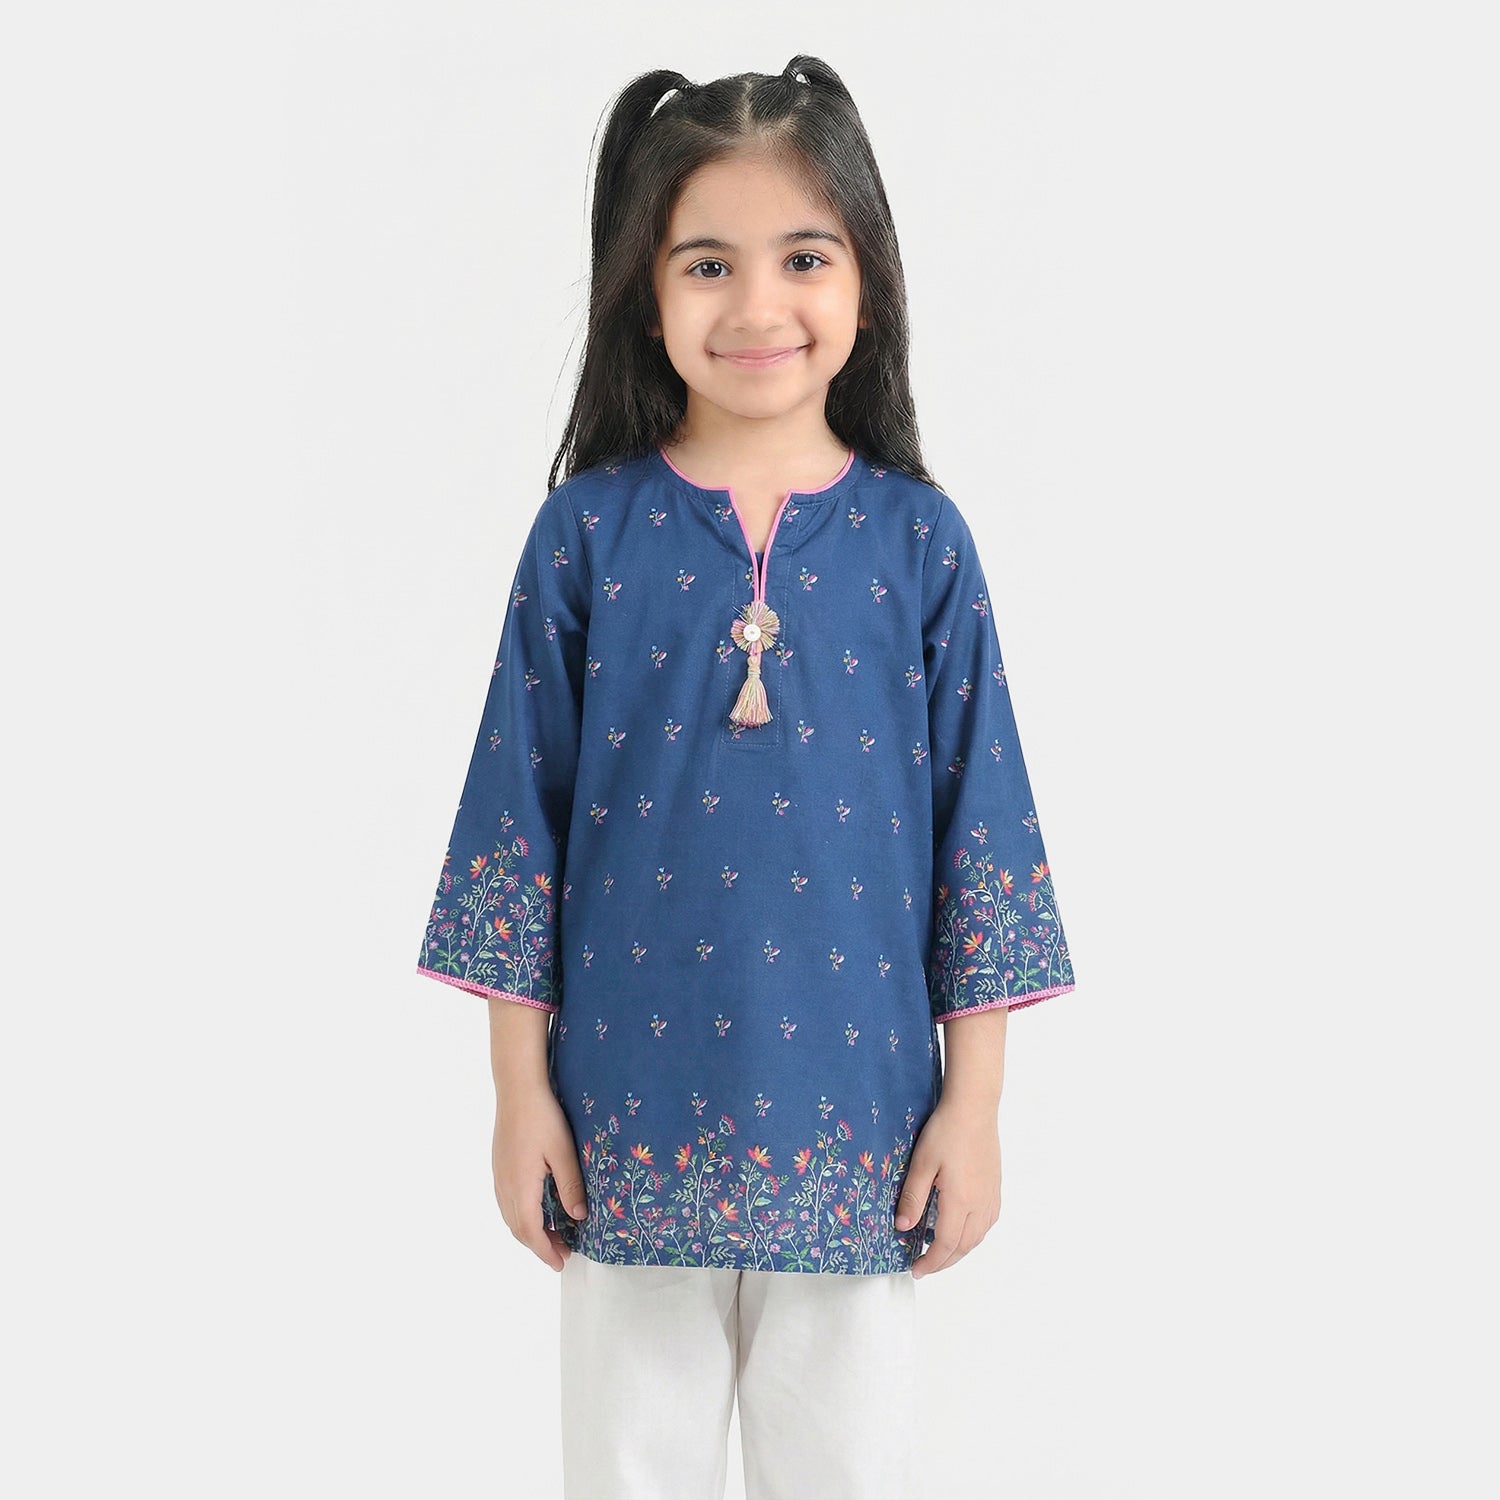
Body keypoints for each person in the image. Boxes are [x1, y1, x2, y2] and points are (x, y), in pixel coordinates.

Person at [415, 54, 1076, 1500]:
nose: (758, 305)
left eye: (804, 258)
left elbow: (983, 840)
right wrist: (518, 1096)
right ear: (644, 292)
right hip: (622, 1123)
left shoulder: (920, 545)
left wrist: (974, 1110)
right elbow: (514, 834)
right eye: (707, 263)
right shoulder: (586, 537)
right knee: (627, 1472)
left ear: (868, 283)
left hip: (859, 1126)